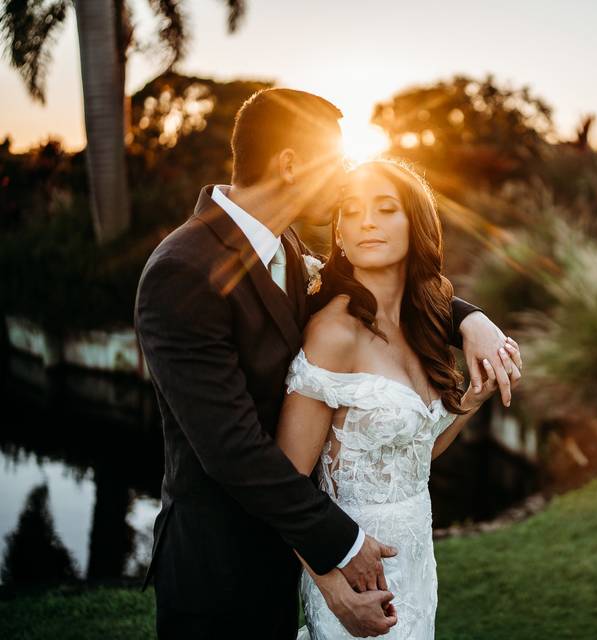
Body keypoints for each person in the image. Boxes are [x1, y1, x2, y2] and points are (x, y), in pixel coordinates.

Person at [134, 88, 521, 639]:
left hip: (296, 553)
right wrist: (339, 550)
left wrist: (468, 319)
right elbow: (231, 449)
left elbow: (377, 287)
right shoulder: (183, 270)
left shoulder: (283, 248)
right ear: (291, 164)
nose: (344, 182)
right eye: (336, 163)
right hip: (220, 569)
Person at [278, 159, 512, 640]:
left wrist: (471, 399)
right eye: (352, 211)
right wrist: (331, 585)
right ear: (339, 232)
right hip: (356, 572)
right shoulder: (333, 333)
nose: (366, 222)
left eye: (385, 209)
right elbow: (284, 483)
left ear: (416, 225)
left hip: (417, 564)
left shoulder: (423, 323)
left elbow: (415, 455)